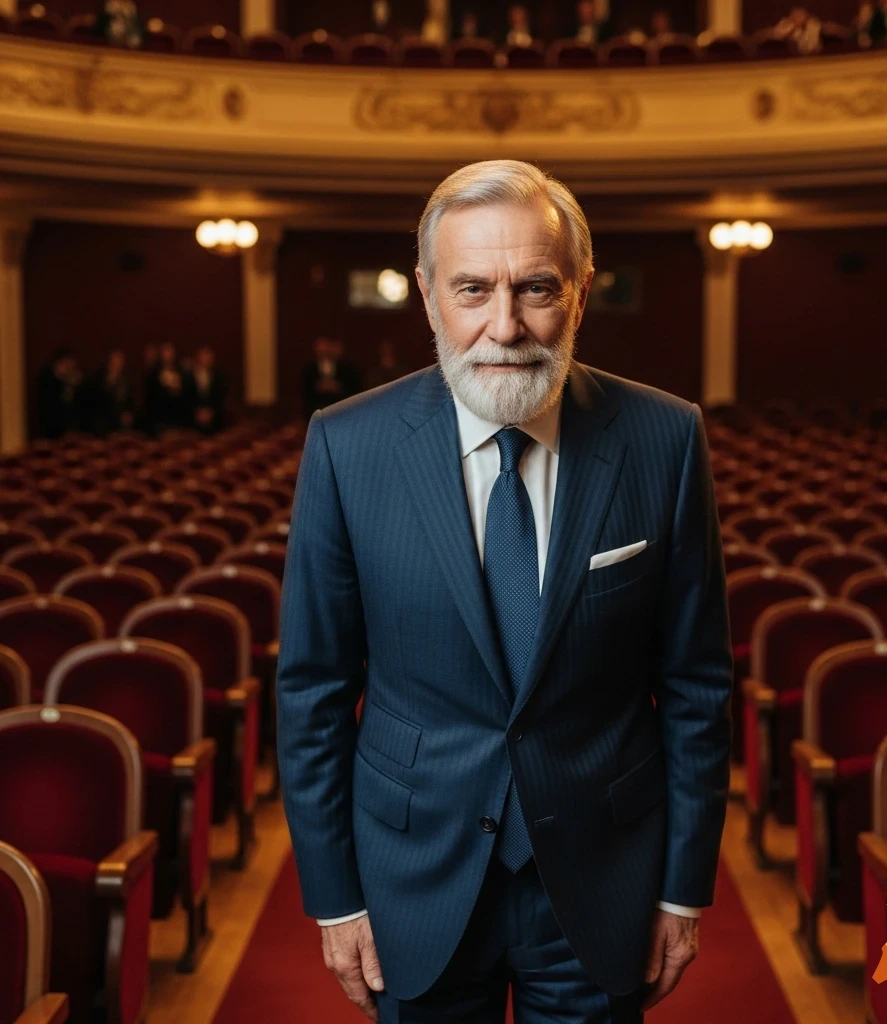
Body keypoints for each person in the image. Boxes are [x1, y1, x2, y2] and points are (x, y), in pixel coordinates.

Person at [277, 159, 733, 1023]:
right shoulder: (345, 444)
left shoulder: (666, 438)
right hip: (413, 873)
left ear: (581, 294)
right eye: (472, 289)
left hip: (604, 874)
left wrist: (683, 888)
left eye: (535, 288)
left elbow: (697, 685)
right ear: (428, 296)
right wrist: (334, 898)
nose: (505, 326)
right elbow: (313, 693)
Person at [300, 336, 363, 419]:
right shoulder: (309, 368)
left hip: (340, 407)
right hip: (316, 408)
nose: (324, 350)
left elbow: (356, 388)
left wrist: (337, 387)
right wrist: (318, 386)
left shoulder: (347, 368)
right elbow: (304, 390)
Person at [37, 348, 86, 439]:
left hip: (74, 430)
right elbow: (49, 407)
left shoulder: (75, 381)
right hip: (52, 430)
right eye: (67, 365)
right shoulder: (47, 380)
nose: (71, 368)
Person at [87, 349, 134, 435]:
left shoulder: (125, 382)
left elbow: (128, 402)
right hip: (102, 421)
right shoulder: (99, 380)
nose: (118, 364)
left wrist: (127, 413)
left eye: (120, 362)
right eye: (115, 361)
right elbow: (95, 402)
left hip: (119, 422)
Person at [143, 342, 187, 434]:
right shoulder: (154, 374)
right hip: (159, 420)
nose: (168, 355)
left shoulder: (181, 373)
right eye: (165, 352)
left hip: (177, 419)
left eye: (170, 352)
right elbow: (150, 398)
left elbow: (185, 395)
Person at [184, 345, 228, 434]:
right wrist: (197, 412)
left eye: (208, 355)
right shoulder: (188, 376)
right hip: (193, 416)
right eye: (203, 355)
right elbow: (186, 397)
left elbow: (220, 396)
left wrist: (211, 412)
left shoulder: (218, 376)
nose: (206, 359)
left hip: (214, 416)